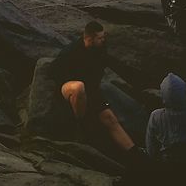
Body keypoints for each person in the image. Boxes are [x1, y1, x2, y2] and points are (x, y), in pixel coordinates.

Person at [56, 21, 137, 153]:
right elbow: (54, 73)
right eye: (100, 38)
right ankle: (80, 125)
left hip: (91, 90)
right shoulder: (70, 52)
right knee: (79, 87)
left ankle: (136, 154)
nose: (103, 39)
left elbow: (110, 64)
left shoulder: (100, 49)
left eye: (103, 36)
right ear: (89, 39)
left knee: (110, 119)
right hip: (68, 87)